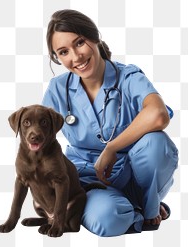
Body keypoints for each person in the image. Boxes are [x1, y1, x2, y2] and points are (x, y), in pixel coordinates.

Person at [42, 9, 178, 237]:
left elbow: (158, 115)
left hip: (136, 173)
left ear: (95, 38)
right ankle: (139, 210)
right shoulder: (58, 89)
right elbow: (41, 146)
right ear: (57, 58)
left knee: (156, 144)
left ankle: (148, 204)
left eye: (80, 43)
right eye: (64, 52)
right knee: (107, 219)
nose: (76, 57)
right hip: (87, 178)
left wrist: (112, 147)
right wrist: (49, 197)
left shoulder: (129, 78)